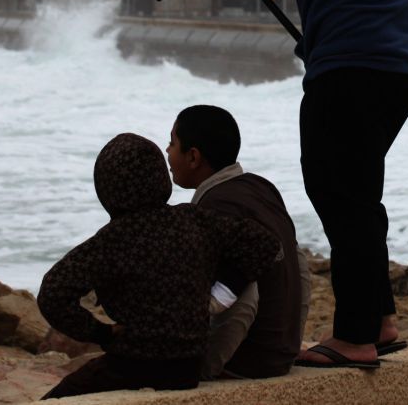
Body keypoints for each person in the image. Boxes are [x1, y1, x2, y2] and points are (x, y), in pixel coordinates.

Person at [165, 0, 408, 369]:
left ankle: (355, 338)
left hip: (349, 73)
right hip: (395, 70)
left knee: (340, 196)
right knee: (360, 195)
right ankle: (379, 319)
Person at [36, 132, 280, 397]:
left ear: (106, 188)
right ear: (160, 178)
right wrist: (224, 292)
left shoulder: (112, 241)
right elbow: (266, 243)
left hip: (131, 364)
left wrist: (101, 333)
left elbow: (52, 293)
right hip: (188, 368)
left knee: (56, 397)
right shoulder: (194, 220)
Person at [165, 104, 311, 379]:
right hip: (280, 354)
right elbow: (298, 271)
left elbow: (243, 297)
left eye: (172, 143)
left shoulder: (214, 208)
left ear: (193, 156)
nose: (167, 152)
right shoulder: (261, 187)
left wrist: (202, 371)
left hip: (246, 364)